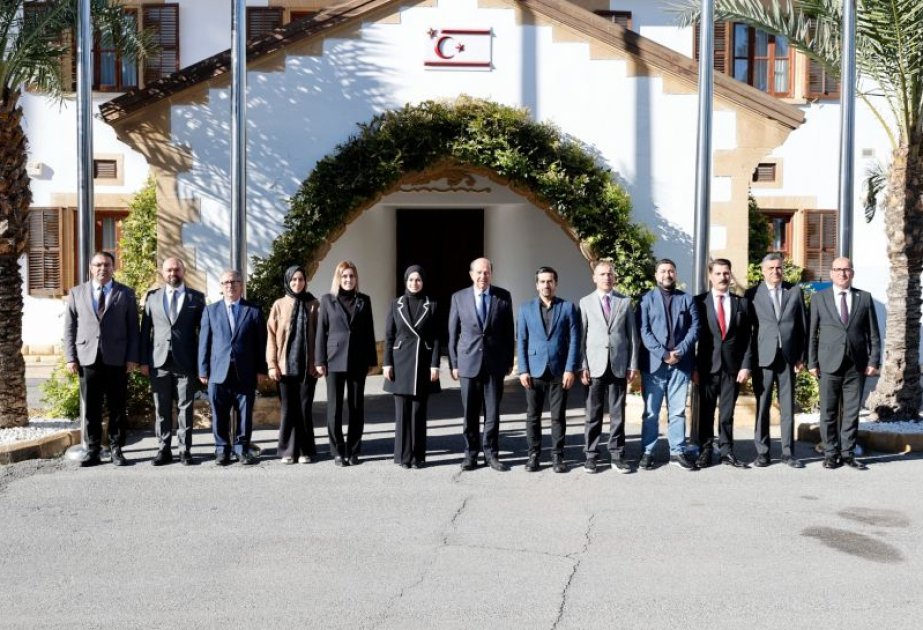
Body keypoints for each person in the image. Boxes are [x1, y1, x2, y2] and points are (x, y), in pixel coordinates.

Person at [64, 251, 140, 467]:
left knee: (117, 406)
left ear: (113, 267)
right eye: (98, 265)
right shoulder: (77, 293)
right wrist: (70, 357)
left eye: (106, 265)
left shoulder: (126, 293)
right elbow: (69, 328)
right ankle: (93, 449)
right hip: (87, 358)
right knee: (91, 407)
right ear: (91, 268)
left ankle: (116, 449)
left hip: (117, 358)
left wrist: (132, 357)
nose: (102, 269)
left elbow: (133, 329)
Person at [808, 256, 881, 470]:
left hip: (856, 365)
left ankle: (848, 454)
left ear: (852, 273)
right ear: (831, 273)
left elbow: (873, 334)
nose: (842, 273)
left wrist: (873, 360)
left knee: (851, 411)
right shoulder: (819, 299)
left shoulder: (864, 298)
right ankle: (831, 453)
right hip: (828, 363)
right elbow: (812, 334)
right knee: (828, 411)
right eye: (838, 269)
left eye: (846, 269)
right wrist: (812, 362)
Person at [448, 257, 515, 472]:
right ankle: (470, 454)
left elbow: (508, 332)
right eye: (478, 272)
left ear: (491, 274)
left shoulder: (503, 296)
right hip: (468, 363)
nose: (482, 276)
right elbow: (452, 334)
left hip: (494, 364)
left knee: (492, 413)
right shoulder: (459, 298)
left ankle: (491, 454)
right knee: (470, 413)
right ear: (471, 274)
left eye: (486, 272)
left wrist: (508, 361)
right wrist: (454, 363)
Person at [140, 257, 205, 466]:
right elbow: (145, 332)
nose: (172, 273)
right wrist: (143, 361)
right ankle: (163, 449)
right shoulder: (152, 298)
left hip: (186, 362)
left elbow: (203, 333)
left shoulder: (197, 298)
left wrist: (202, 364)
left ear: (183, 271)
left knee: (185, 408)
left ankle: (185, 450)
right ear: (162, 272)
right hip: (159, 362)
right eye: (168, 270)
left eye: (176, 270)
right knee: (161, 408)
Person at [198, 269, 268, 465]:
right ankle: (222, 450)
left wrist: (261, 369)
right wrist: (203, 370)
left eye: (234, 281)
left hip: (245, 372)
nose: (230, 285)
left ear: (241, 285)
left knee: (244, 415)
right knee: (219, 414)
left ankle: (242, 449)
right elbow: (204, 343)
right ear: (221, 287)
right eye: (226, 282)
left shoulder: (253, 310)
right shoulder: (210, 311)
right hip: (218, 372)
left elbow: (261, 343)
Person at [745, 252, 807, 468]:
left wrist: (801, 357)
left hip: (788, 357)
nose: (775, 271)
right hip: (763, 358)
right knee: (762, 406)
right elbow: (748, 332)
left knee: (788, 407)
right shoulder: (753, 294)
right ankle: (762, 452)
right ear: (763, 271)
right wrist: (747, 363)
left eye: (778, 268)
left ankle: (788, 453)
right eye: (770, 268)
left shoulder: (794, 291)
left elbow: (803, 327)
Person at [637, 258, 699, 471]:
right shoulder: (645, 300)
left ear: (675, 274)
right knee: (651, 412)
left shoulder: (687, 299)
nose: (667, 274)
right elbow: (644, 331)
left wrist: (679, 351)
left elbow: (695, 328)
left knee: (678, 411)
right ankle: (648, 451)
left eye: (671, 271)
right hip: (655, 364)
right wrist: (664, 354)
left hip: (681, 363)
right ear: (656, 275)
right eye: (663, 271)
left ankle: (677, 451)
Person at [518, 266, 581, 473]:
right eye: (543, 281)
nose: (546, 285)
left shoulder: (568, 307)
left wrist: (570, 369)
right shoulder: (525, 309)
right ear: (537, 285)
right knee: (533, 416)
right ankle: (533, 455)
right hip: (533, 370)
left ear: (556, 284)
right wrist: (523, 370)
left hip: (559, 370)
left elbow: (574, 340)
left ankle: (557, 456)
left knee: (558, 416)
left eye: (550, 281)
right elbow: (522, 340)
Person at [315, 261, 378, 467]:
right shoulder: (327, 300)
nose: (348, 280)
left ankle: (353, 449)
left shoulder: (364, 300)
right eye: (344, 276)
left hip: (358, 360)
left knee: (356, 407)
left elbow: (369, 331)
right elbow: (321, 332)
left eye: (351, 276)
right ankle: (337, 450)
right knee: (334, 408)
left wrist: (372, 360)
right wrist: (319, 360)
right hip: (333, 359)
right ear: (338, 278)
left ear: (356, 278)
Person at [578, 261, 638, 474]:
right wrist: (582, 365)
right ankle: (591, 455)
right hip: (594, 365)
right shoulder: (585, 302)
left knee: (617, 414)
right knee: (592, 413)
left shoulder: (625, 302)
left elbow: (633, 337)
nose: (606, 277)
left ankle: (617, 455)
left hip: (618, 364)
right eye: (602, 274)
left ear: (615, 277)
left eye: (610, 274)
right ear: (594, 278)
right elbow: (581, 337)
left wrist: (632, 364)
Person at [692, 258, 752, 468]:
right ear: (710, 276)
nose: (723, 277)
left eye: (726, 273)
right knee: (706, 412)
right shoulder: (698, 302)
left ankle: (727, 451)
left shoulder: (741, 303)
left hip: (732, 368)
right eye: (718, 273)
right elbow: (692, 337)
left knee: (727, 413)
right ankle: (705, 450)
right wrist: (693, 368)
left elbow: (747, 338)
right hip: (706, 366)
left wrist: (746, 365)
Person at [383, 265, 441, 469]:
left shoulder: (431, 304)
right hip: (399, 362)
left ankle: (417, 457)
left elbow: (436, 337)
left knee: (418, 411)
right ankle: (403, 456)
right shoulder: (395, 304)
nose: (414, 283)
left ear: (423, 282)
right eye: (410, 280)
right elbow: (389, 336)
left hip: (422, 361)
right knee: (402, 412)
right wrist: (387, 363)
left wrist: (435, 365)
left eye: (418, 280)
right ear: (405, 281)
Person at [266, 265, 321, 464]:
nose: (298, 283)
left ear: (306, 281)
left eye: (301, 279)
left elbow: (321, 336)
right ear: (288, 282)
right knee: (288, 409)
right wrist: (272, 365)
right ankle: (288, 451)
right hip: (285, 367)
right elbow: (271, 337)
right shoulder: (279, 305)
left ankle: (305, 450)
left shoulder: (314, 304)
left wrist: (319, 362)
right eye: (294, 280)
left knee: (304, 409)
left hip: (308, 367)